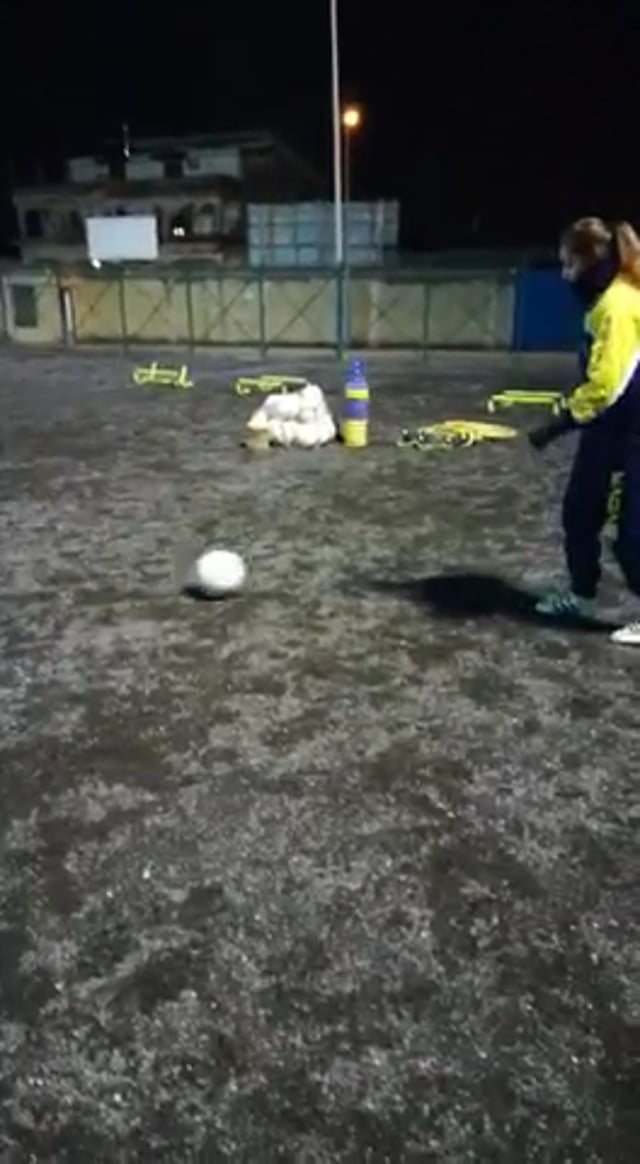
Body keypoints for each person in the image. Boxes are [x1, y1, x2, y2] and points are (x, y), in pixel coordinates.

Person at [528, 217, 640, 644]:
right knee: (579, 511)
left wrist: (559, 422)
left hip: (634, 428)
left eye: (569, 263)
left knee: (633, 533)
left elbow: (607, 384)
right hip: (609, 424)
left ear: (591, 259)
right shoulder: (603, 302)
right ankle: (581, 592)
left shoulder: (618, 304)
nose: (565, 274)